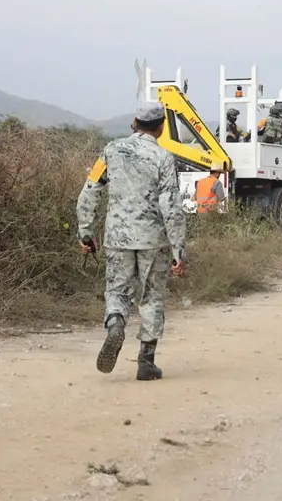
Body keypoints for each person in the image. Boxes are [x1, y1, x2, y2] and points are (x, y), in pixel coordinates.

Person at [76, 102, 189, 382]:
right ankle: (146, 362)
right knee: (151, 297)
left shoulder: (111, 151)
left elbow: (90, 191)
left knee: (117, 291)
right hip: (154, 241)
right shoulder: (164, 158)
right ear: (161, 127)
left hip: (118, 237)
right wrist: (179, 250)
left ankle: (115, 324)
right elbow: (172, 207)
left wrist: (85, 232)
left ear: (134, 123)